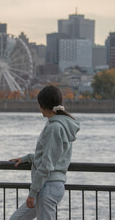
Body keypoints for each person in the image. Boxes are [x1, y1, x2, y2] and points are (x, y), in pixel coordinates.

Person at [9, 85, 80, 220]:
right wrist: (27, 158)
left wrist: (32, 192)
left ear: (42, 105)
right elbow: (53, 155)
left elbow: (47, 164)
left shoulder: (54, 127)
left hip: (47, 187)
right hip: (51, 186)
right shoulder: (60, 124)